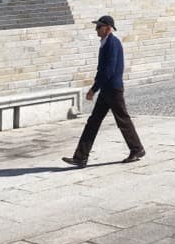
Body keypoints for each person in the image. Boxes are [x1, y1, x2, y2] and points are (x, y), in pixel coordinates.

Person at [62, 16, 145, 168]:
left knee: (122, 120)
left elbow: (108, 71)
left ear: (108, 28)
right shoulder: (105, 43)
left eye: (99, 27)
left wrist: (94, 89)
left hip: (113, 89)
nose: (96, 30)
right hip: (107, 90)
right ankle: (80, 157)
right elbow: (103, 70)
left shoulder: (112, 43)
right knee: (93, 122)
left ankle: (137, 149)